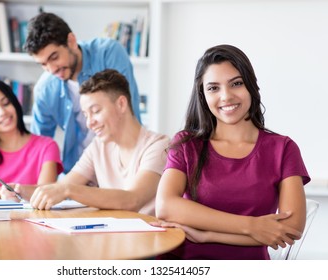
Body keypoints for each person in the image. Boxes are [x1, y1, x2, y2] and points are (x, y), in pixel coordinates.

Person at [154, 44, 310, 259]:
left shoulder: (283, 149)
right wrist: (251, 226)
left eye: (236, 83)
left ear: (251, 86)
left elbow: (290, 229)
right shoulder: (187, 144)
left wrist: (208, 235)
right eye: (213, 88)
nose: (226, 96)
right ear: (203, 95)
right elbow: (165, 206)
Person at [29, 69, 169, 216]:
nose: (89, 123)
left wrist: (68, 190)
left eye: (95, 111)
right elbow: (57, 189)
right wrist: (18, 190)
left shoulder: (159, 146)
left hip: (149, 236)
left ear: (121, 104)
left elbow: (132, 200)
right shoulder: (98, 146)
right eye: (85, 115)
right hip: (113, 234)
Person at [24, 12, 142, 173]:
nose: (51, 69)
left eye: (54, 57)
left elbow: (128, 114)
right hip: (78, 172)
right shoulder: (45, 89)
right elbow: (39, 146)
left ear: (71, 41)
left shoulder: (108, 53)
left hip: (123, 166)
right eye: (43, 64)